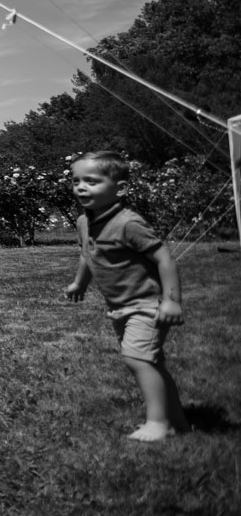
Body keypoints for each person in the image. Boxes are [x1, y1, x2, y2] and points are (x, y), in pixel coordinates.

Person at [64, 151, 190, 442]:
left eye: (91, 181)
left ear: (120, 189)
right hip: (121, 306)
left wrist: (172, 300)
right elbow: (87, 254)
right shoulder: (85, 221)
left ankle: (158, 423)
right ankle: (178, 421)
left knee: (137, 359)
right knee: (150, 361)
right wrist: (79, 284)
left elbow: (164, 260)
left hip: (148, 303)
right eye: (76, 181)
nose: (81, 187)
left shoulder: (128, 222)